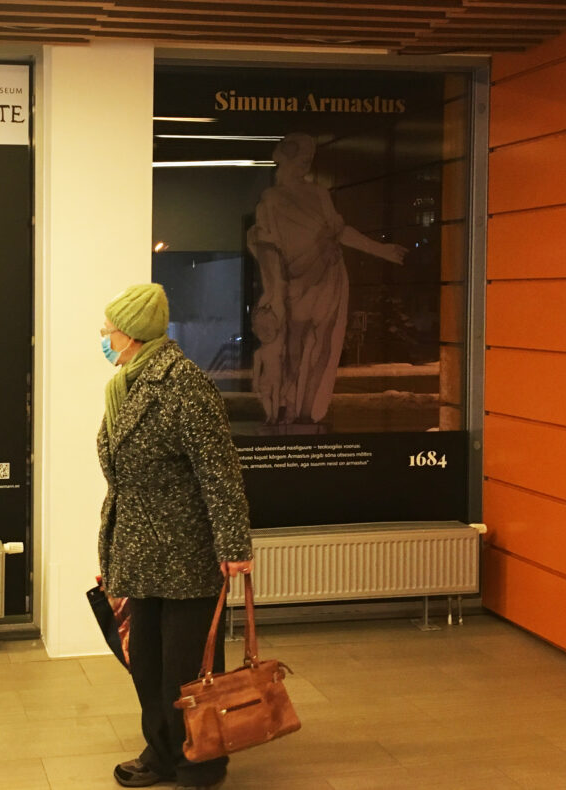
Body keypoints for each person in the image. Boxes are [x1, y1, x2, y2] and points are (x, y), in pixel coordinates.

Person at [97, 283, 253, 790]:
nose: (104, 337)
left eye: (109, 329)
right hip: (140, 550)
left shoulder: (184, 386)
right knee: (147, 663)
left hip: (186, 553)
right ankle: (163, 751)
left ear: (133, 334)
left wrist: (233, 546)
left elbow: (220, 472)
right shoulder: (125, 386)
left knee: (188, 669)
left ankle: (200, 763)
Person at [247, 132, 407, 425]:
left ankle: (307, 411)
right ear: (285, 158)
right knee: (294, 346)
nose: (305, 164)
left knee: (323, 344)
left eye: (309, 159)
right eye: (301, 158)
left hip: (329, 274)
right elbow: (267, 245)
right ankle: (287, 404)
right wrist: (274, 285)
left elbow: (339, 231)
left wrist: (381, 250)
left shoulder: (319, 194)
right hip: (297, 278)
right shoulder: (271, 200)